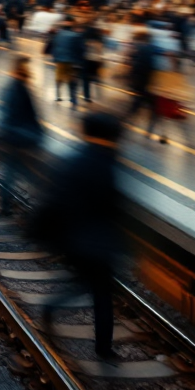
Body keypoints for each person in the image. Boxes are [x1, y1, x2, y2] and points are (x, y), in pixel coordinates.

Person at [35, 113, 124, 360]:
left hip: (74, 239)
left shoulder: (72, 159)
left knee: (86, 286)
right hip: (97, 242)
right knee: (101, 295)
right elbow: (114, 208)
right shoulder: (107, 163)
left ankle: (53, 307)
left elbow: (56, 200)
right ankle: (103, 348)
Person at [0, 55, 42, 214]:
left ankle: (6, 205)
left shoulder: (14, 86)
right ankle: (37, 205)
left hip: (13, 135)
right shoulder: (18, 88)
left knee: (13, 171)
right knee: (23, 172)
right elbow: (25, 114)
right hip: (19, 137)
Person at [49, 21, 85, 106]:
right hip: (72, 61)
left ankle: (58, 95)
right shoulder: (76, 35)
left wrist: (55, 57)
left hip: (60, 60)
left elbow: (53, 46)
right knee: (72, 79)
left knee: (59, 77)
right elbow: (80, 49)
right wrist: (80, 61)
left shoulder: (58, 35)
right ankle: (73, 98)